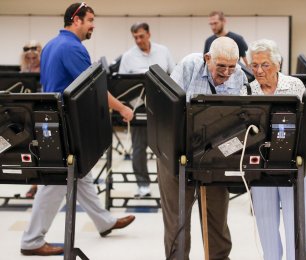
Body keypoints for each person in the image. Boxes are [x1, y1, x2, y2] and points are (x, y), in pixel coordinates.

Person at [20, 3, 135, 256]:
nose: (93, 25)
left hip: (51, 120)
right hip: (64, 123)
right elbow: (93, 88)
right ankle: (32, 240)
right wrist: (122, 109)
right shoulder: (73, 48)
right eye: (90, 19)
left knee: (79, 175)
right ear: (76, 19)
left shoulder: (51, 44)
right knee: (58, 181)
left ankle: (104, 222)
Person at [158, 36, 248, 260]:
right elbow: (169, 109)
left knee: (217, 219)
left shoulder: (240, 77)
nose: (227, 73)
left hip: (216, 155)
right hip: (178, 151)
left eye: (231, 66)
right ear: (208, 58)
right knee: (177, 220)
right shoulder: (190, 65)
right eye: (221, 66)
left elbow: (242, 121)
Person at [241, 39, 306, 260]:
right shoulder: (247, 90)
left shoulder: (294, 86)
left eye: (264, 65)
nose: (259, 70)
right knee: (265, 224)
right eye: (254, 65)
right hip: (261, 166)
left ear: (278, 64)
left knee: (299, 224)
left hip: (294, 163)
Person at [118, 22, 175, 197]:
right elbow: (121, 85)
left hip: (162, 108)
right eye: (135, 37)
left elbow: (174, 75)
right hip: (139, 107)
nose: (138, 40)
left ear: (149, 34)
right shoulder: (128, 56)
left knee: (167, 146)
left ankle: (169, 182)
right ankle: (143, 184)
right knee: (138, 147)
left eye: (141, 36)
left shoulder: (163, 51)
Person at [19, 40, 42, 198]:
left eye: (34, 50)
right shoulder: (22, 72)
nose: (31, 53)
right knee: (29, 150)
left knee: (42, 149)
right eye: (27, 50)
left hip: (40, 113)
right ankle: (33, 184)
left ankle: (39, 184)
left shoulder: (45, 70)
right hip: (26, 115)